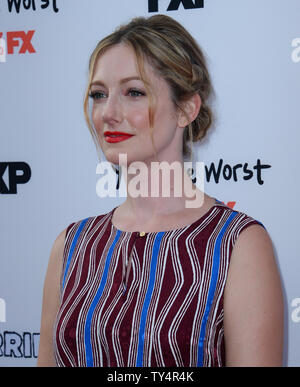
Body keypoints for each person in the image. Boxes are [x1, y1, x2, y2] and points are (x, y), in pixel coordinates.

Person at [37, 14, 284, 367]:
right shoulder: (71, 246)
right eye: (98, 94)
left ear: (186, 108)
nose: (108, 112)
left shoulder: (237, 245)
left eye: (133, 92)